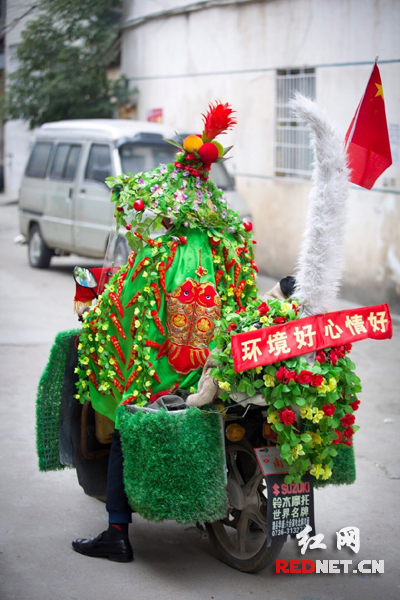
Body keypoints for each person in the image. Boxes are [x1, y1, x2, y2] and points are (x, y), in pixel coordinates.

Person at [71, 103, 293, 561]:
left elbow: (121, 314)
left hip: (163, 380)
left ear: (170, 205)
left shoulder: (155, 254)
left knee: (120, 407)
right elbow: (246, 308)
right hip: (221, 372)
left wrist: (93, 320)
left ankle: (117, 532)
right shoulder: (229, 250)